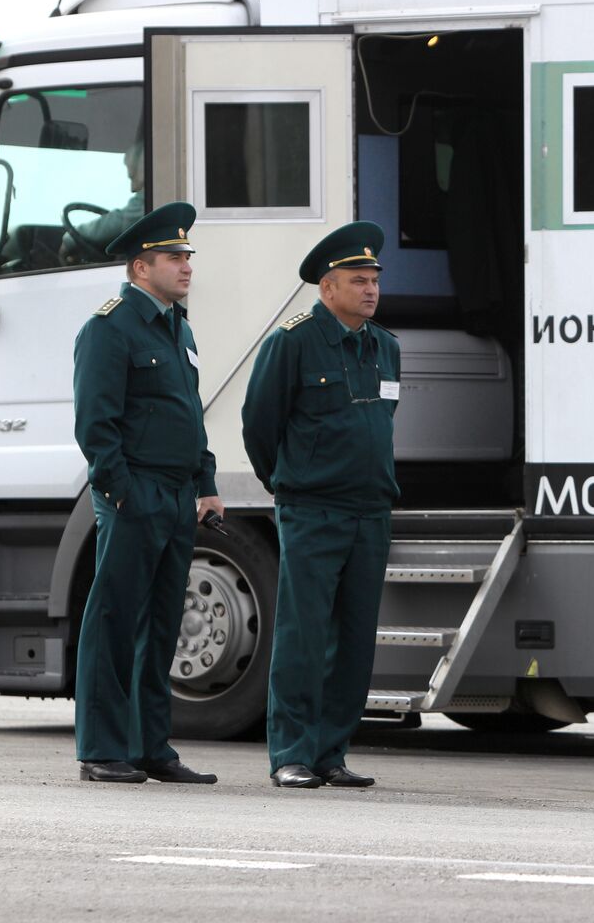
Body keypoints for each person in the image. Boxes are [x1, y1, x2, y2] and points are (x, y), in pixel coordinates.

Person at [241, 221, 401, 789]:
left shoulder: (385, 346)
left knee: (355, 640)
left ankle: (331, 753)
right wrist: (287, 484)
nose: (371, 289)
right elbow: (259, 423)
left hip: (370, 512)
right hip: (313, 510)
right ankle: (291, 753)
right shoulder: (293, 341)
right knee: (303, 636)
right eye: (358, 280)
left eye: (374, 280)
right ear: (327, 287)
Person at [71, 201, 224, 784]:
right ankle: (102, 749)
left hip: (176, 496)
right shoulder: (109, 329)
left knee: (161, 626)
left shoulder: (177, 327)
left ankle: (150, 747)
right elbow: (96, 426)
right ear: (141, 268)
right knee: (113, 623)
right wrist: (123, 493)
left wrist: (206, 484)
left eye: (187, 256)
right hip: (133, 497)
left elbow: (190, 416)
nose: (186, 266)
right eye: (173, 257)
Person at [60, 141, 146, 263]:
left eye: (132, 177)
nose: (132, 189)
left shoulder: (149, 199)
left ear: (144, 171)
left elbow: (121, 220)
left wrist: (70, 238)